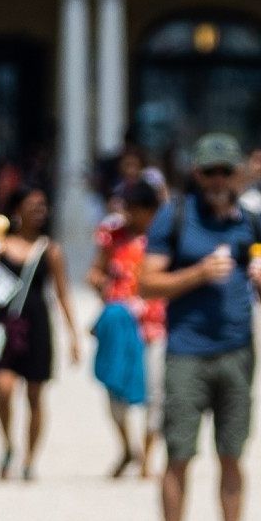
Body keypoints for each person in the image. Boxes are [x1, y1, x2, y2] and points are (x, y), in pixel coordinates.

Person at [138, 133, 261, 521]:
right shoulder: (175, 216)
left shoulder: (252, 222)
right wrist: (199, 273)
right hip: (187, 351)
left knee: (232, 454)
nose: (218, 180)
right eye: (209, 172)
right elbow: (146, 283)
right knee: (179, 452)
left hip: (237, 351)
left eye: (226, 172)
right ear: (197, 174)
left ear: (239, 175)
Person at [0, 187, 81, 480]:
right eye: (33, 205)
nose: (39, 211)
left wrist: (73, 336)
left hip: (37, 326)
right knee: (3, 389)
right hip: (5, 324)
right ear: (17, 210)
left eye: (43, 206)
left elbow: (63, 293)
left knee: (36, 395)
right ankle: (7, 445)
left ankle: (29, 458)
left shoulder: (51, 251)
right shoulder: (0, 247)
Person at [90, 178, 165, 475]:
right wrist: (105, 289)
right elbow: (95, 273)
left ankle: (147, 456)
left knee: (156, 393)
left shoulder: (164, 238)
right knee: (114, 390)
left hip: (154, 325)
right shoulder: (112, 237)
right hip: (120, 324)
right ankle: (127, 448)